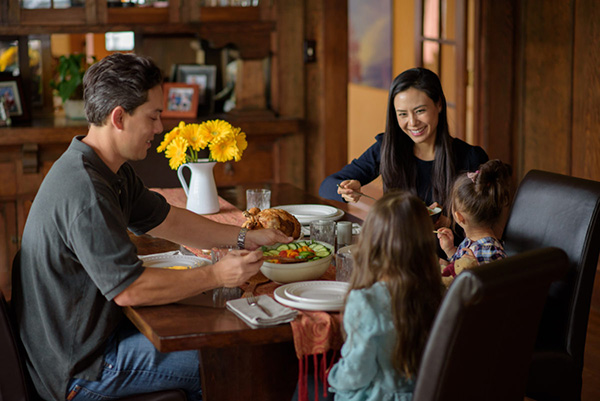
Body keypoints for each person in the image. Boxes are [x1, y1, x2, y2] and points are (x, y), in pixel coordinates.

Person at [11, 53, 291, 401]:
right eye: (153, 117)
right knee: (237, 358)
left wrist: (246, 236)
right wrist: (218, 276)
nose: (160, 128)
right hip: (83, 368)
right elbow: (130, 290)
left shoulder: (103, 166)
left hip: (85, 343)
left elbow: (168, 219)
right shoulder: (87, 192)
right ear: (119, 117)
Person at [319, 67, 488, 229]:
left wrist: (451, 222)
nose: (412, 122)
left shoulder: (470, 157)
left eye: (420, 110)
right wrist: (345, 189)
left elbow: (486, 219)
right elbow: (327, 186)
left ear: (439, 104)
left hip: (451, 254)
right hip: (398, 249)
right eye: (403, 114)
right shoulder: (388, 148)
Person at [327, 191, 445, 400]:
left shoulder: (366, 302)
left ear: (371, 243)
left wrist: (332, 378)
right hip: (422, 394)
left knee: (307, 384)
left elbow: (357, 374)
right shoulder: (437, 292)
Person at [436, 159, 513, 283]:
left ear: (459, 217)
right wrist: (450, 250)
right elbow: (460, 265)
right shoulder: (471, 241)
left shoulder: (489, 254)